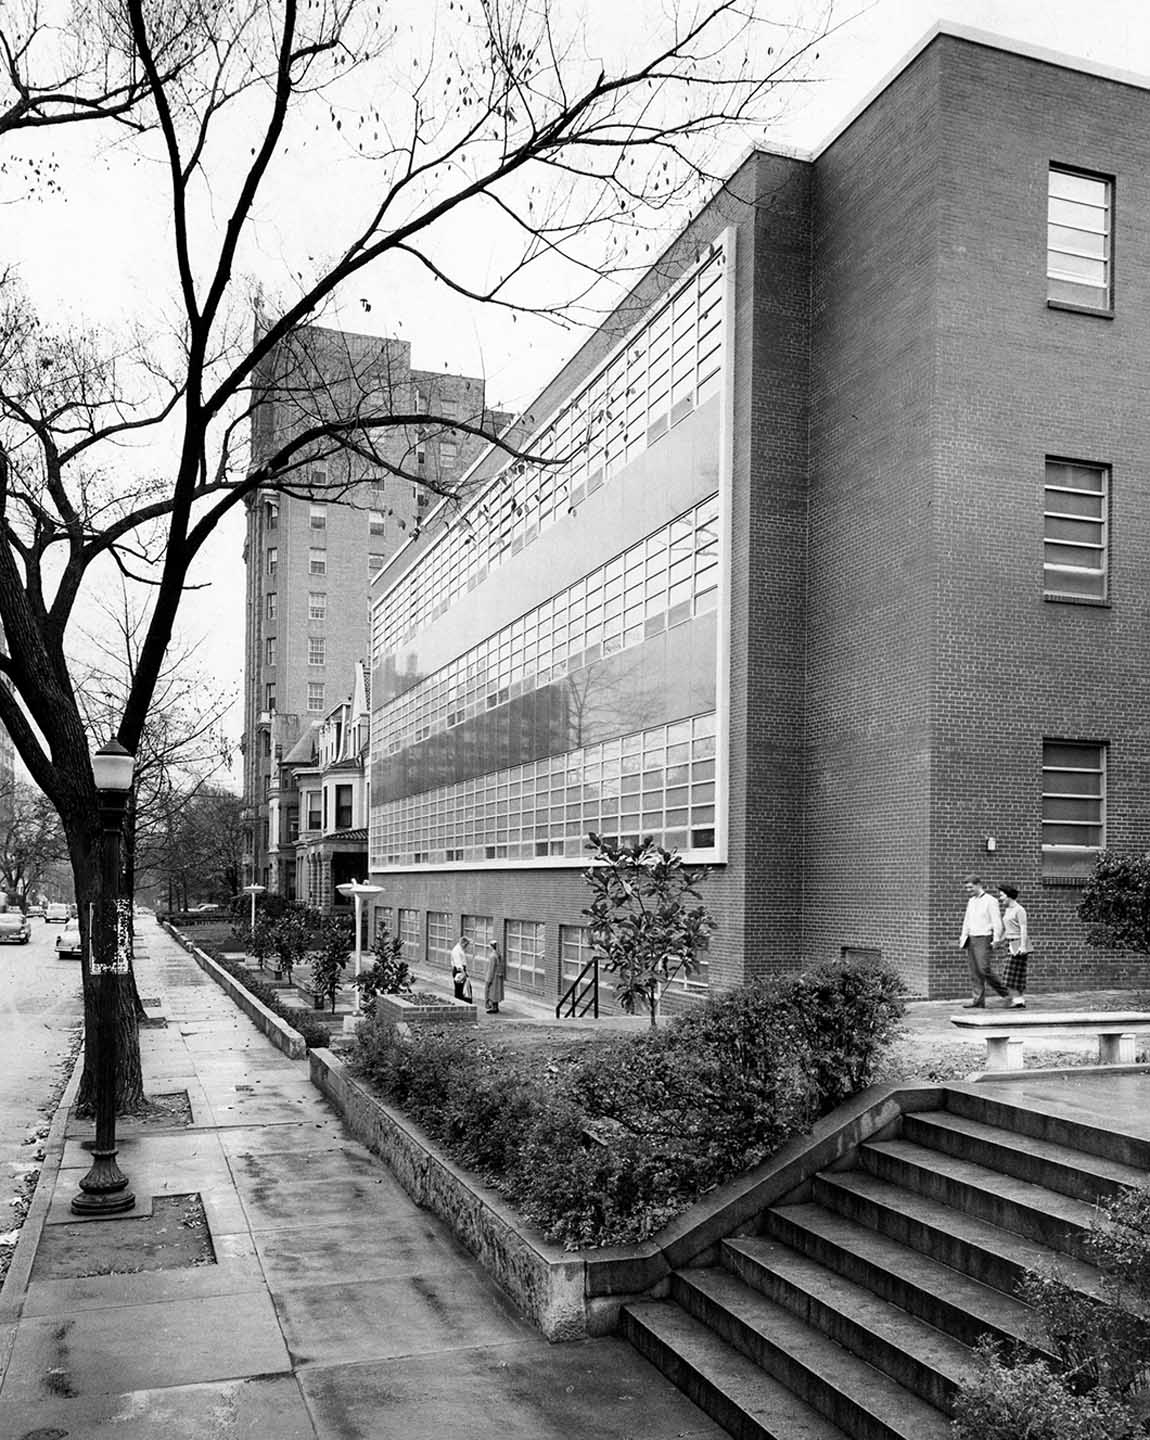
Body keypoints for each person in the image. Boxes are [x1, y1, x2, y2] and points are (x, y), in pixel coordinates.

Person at [958, 874, 1009, 1008]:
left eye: (970, 887)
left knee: (984, 969)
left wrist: (997, 939)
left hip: (984, 937)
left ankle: (1007, 994)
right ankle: (978, 1000)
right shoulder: (971, 901)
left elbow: (996, 921)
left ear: (978, 885)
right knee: (974, 971)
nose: (968, 890)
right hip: (971, 938)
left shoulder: (990, 901)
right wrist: (963, 937)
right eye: (967, 888)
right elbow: (967, 921)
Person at [995, 883, 1029, 1009]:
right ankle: (1019, 1000)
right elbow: (1007, 930)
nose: (1000, 898)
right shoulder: (1008, 910)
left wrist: (1023, 946)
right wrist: (999, 941)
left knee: (1010, 973)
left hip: (1018, 942)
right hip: (1010, 942)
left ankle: (1017, 999)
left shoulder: (1019, 910)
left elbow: (1023, 928)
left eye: (1002, 895)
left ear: (1009, 896)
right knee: (1014, 974)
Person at [483, 940, 506, 1014]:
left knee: (491, 991)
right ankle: (496, 1007)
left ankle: (493, 1007)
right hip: (498, 976)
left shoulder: (492, 956)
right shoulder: (499, 955)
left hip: (493, 976)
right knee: (497, 992)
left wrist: (488, 979)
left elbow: (491, 968)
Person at [450, 935, 472, 1001]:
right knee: (460, 989)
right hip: (459, 971)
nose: (466, 946)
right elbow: (458, 964)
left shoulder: (460, 949)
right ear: (463, 943)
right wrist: (463, 973)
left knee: (465, 988)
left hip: (461, 971)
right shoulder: (456, 950)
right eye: (466, 944)